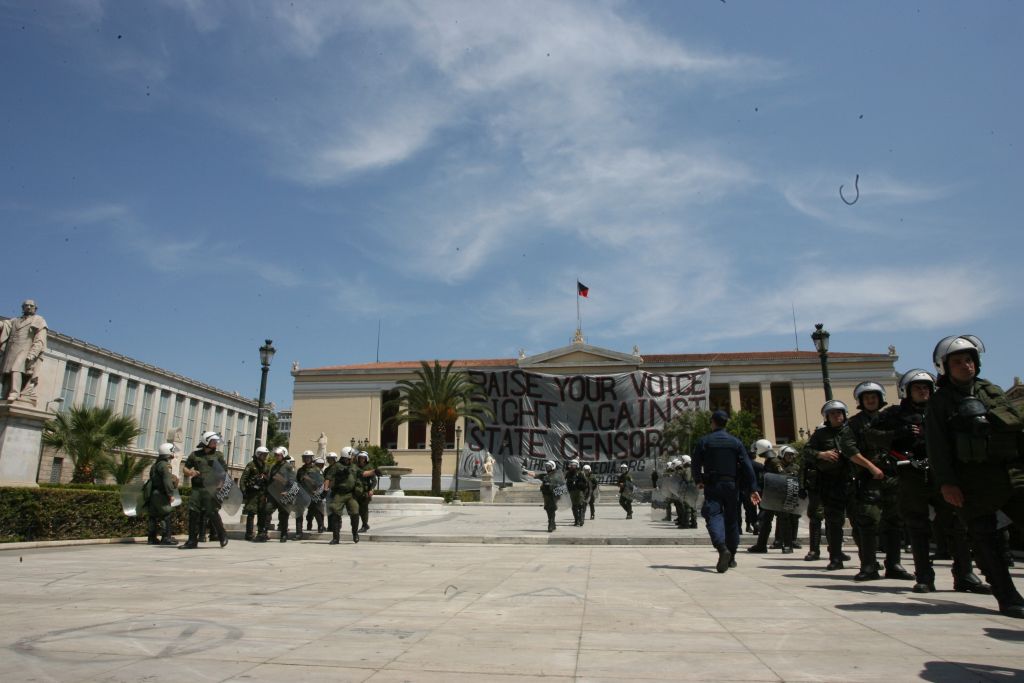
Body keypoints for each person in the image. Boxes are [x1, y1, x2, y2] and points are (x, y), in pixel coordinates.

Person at [925, 335, 1024, 618]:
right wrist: (947, 482)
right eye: (957, 362)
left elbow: (1016, 420)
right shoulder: (941, 401)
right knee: (985, 540)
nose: (965, 366)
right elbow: (938, 446)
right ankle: (1007, 596)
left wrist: (993, 418)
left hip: (1009, 473)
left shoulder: (990, 390)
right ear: (945, 367)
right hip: (972, 480)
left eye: (969, 360)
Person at [875, 368, 989, 594]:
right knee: (917, 526)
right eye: (917, 388)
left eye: (926, 387)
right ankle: (924, 576)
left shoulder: (943, 410)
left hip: (942, 474)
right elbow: (871, 435)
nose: (922, 391)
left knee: (956, 524)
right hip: (911, 474)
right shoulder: (894, 414)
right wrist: (898, 433)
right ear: (906, 391)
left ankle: (965, 574)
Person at [846, 381, 913, 582]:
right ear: (860, 401)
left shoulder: (892, 418)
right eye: (866, 397)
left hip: (893, 475)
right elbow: (849, 449)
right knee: (868, 521)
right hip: (869, 478)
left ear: (880, 398)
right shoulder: (855, 423)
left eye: (874, 397)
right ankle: (868, 565)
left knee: (894, 522)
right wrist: (870, 467)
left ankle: (893, 564)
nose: (870, 400)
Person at [692, 410, 761, 573]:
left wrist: (698, 481)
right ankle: (732, 557)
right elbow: (747, 466)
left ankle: (722, 548)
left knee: (713, 514)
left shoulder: (705, 441)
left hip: (713, 485)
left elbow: (695, 464)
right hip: (731, 486)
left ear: (713, 422)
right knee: (732, 520)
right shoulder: (735, 442)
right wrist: (753, 488)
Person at [802, 401, 858, 570]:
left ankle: (868, 559)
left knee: (860, 520)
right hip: (830, 483)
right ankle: (835, 557)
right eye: (832, 414)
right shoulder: (821, 435)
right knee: (834, 522)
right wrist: (821, 454)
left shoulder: (852, 431)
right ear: (827, 417)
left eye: (839, 413)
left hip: (852, 482)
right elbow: (807, 452)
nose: (836, 416)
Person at [179, 431, 229, 549]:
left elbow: (223, 472)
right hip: (197, 488)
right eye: (213, 441)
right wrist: (190, 472)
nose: (215, 443)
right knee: (193, 512)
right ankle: (192, 540)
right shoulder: (195, 455)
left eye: (216, 441)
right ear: (206, 441)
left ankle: (222, 535)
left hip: (211, 489)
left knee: (212, 513)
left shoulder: (218, 456)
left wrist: (220, 485)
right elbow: (185, 468)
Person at [0, 299, 47, 402]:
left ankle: (14, 392)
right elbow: (4, 325)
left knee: (16, 369)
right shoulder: (15, 320)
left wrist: (33, 354)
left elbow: (40, 340)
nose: (28, 307)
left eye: (31, 306)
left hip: (25, 350)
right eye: (26, 305)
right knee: (7, 372)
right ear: (22, 308)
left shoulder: (39, 320)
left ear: (35, 308)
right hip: (11, 350)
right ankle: (5, 393)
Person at [748, 439, 784, 553]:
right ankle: (762, 545)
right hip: (770, 494)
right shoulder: (769, 461)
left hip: (774, 495)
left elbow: (781, 477)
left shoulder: (774, 462)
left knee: (774, 519)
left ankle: (774, 543)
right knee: (766, 520)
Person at [145, 443, 180, 545]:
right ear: (168, 452)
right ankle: (166, 538)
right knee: (166, 514)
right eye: (172, 451)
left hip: (153, 493)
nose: (173, 453)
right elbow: (167, 480)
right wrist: (170, 494)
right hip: (161, 494)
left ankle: (151, 538)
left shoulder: (155, 465)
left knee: (153, 516)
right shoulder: (164, 465)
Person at [265, 446, 296, 542]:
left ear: (283, 455)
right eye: (276, 455)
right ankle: (264, 532)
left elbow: (292, 481)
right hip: (273, 494)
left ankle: (284, 534)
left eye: (278, 455)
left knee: (283, 515)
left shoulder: (288, 467)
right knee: (267, 510)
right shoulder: (273, 466)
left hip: (284, 494)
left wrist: (287, 491)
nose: (277, 457)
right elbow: (270, 480)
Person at [240, 446, 269, 541]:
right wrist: (244, 491)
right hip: (252, 493)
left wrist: (265, 478)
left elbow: (269, 479)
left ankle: (261, 532)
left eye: (266, 455)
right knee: (251, 513)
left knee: (262, 513)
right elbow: (243, 479)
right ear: (258, 454)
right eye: (263, 455)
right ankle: (249, 534)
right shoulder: (251, 465)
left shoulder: (266, 466)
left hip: (262, 493)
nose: (265, 456)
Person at [293, 451, 319, 540]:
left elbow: (319, 483)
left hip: (312, 494)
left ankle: (320, 527)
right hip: (302, 494)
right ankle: (298, 533)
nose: (307, 459)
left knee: (316, 512)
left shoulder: (316, 469)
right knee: (299, 514)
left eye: (309, 457)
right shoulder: (300, 470)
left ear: (312, 458)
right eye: (305, 457)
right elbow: (296, 482)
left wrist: (309, 479)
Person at [355, 450, 377, 532]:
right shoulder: (355, 466)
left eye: (363, 458)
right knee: (356, 509)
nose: (362, 459)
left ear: (366, 458)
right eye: (360, 458)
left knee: (364, 509)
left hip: (365, 491)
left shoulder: (369, 467)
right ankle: (364, 524)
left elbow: (374, 481)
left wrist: (371, 489)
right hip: (356, 491)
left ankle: (364, 525)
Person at [305, 456, 327, 533]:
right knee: (312, 511)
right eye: (318, 464)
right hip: (311, 493)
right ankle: (310, 524)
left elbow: (322, 482)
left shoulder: (321, 471)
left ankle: (321, 526)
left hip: (319, 493)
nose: (320, 466)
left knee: (319, 510)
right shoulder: (311, 471)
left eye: (321, 464)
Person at [566, 459, 591, 527]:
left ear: (577, 466)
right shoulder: (568, 474)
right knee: (574, 507)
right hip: (572, 492)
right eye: (572, 465)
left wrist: (585, 491)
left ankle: (581, 520)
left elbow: (586, 483)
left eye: (574, 465)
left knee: (581, 506)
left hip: (579, 491)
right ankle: (576, 520)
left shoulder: (581, 473)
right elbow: (566, 482)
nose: (572, 466)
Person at [678, 456, 698, 529]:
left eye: (682, 460)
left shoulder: (688, 469)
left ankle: (686, 524)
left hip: (689, 488)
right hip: (695, 488)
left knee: (687, 507)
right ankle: (694, 523)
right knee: (693, 506)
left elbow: (687, 479)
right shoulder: (694, 468)